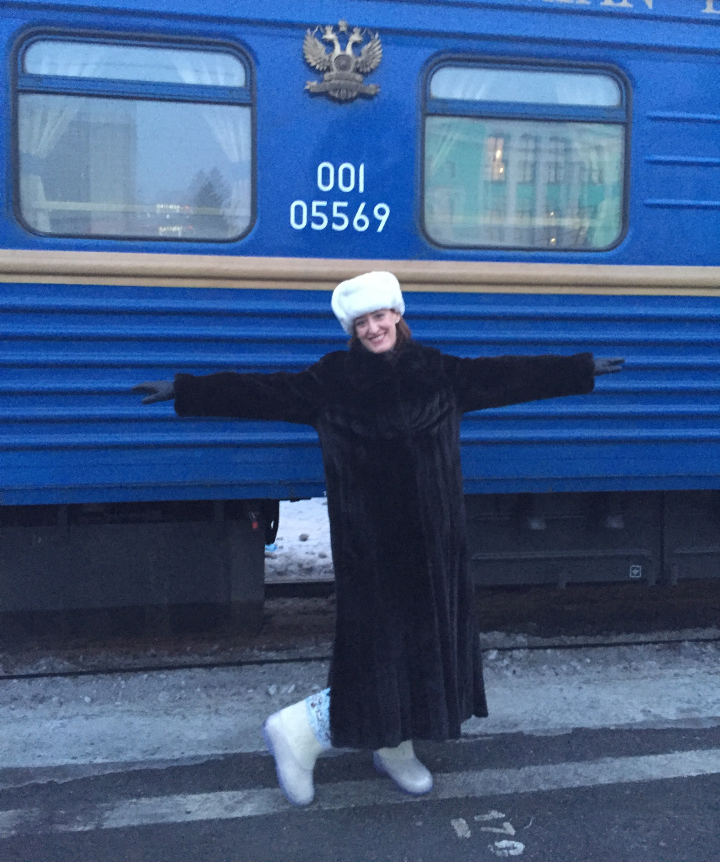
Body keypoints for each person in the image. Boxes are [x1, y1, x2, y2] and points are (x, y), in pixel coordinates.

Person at [134, 271, 623, 807]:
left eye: (380, 316)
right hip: (372, 550)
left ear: (397, 315)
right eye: (361, 322)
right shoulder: (331, 381)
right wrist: (188, 389)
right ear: (352, 329)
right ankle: (298, 730)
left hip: (436, 547)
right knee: (377, 657)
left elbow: (508, 375)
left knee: (424, 652)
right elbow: (262, 391)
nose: (373, 329)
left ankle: (394, 748)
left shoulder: (438, 372)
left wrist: (576, 369)